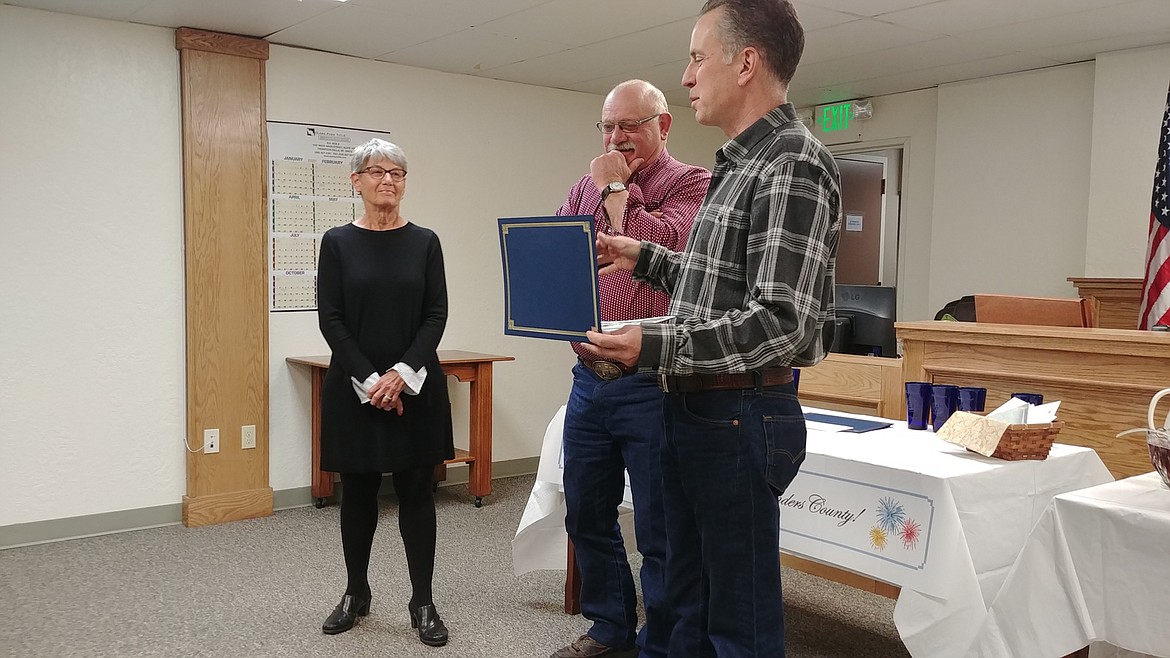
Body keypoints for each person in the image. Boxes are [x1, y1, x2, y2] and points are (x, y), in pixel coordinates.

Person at [583, 2, 842, 656]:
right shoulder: (740, 162)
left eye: (699, 57)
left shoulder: (793, 161)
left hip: (741, 410)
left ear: (746, 60)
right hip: (698, 407)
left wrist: (654, 341)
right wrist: (643, 256)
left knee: (738, 622)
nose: (688, 74)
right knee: (686, 609)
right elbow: (718, 285)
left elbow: (781, 323)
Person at [552, 79, 711, 658]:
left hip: (654, 384)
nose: (617, 139)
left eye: (631, 126)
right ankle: (609, 628)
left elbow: (661, 247)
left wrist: (618, 188)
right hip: (591, 383)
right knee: (587, 514)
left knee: (661, 530)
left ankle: (662, 644)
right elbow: (561, 261)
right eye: (608, 127)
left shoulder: (693, 184)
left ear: (663, 126)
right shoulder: (581, 189)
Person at [316, 138, 453, 648]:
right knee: (359, 494)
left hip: (415, 389)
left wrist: (400, 374)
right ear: (356, 181)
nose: (388, 181)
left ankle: (423, 600)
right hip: (355, 389)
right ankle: (356, 592)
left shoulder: (425, 242)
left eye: (397, 173)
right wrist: (372, 381)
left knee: (418, 493)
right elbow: (331, 318)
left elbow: (435, 314)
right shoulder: (336, 242)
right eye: (376, 172)